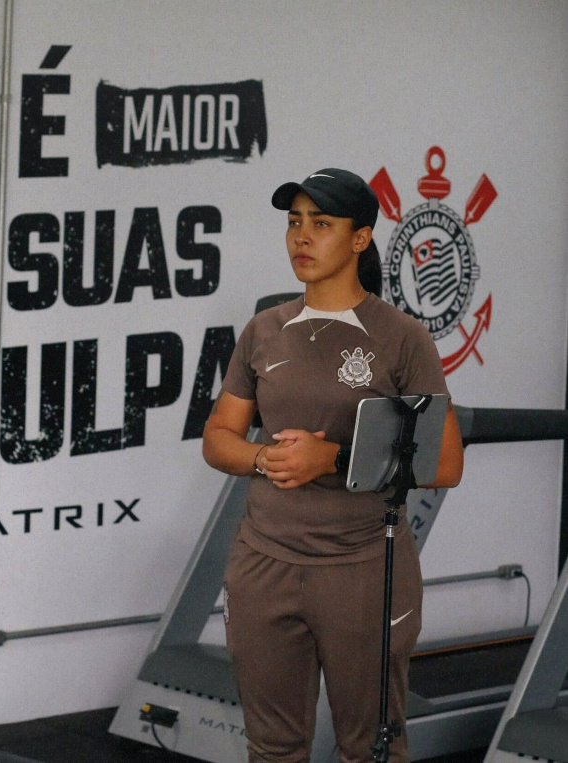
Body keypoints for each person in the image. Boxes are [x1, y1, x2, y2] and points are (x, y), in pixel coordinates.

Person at [202, 168, 464, 762]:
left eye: (321, 223)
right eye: (294, 222)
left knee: (369, 749)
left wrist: (333, 458)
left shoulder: (401, 338)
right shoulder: (264, 330)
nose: (302, 236)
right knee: (271, 748)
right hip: (263, 564)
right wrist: (264, 457)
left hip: (363, 568)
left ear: (360, 239)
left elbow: (445, 463)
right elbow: (219, 438)